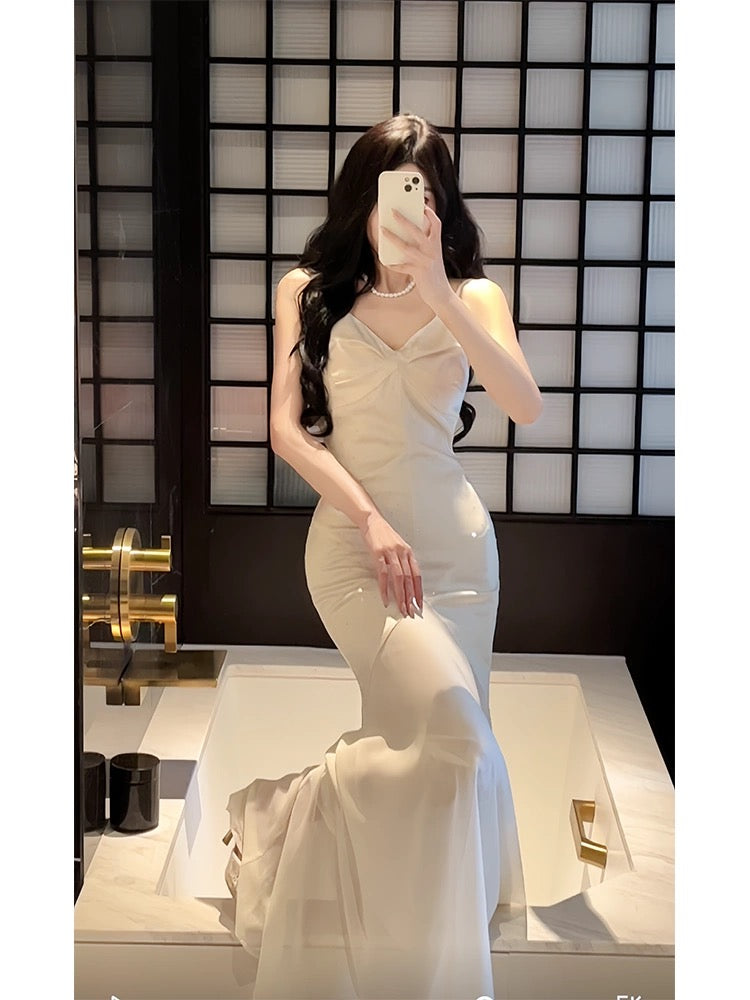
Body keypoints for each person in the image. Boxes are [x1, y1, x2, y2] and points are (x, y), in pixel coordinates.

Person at [223, 113, 543, 1000]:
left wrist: (439, 288)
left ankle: (411, 937)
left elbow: (524, 404)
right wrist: (367, 517)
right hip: (357, 554)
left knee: (448, 749)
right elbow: (287, 431)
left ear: (440, 206)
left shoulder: (473, 296)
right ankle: (278, 815)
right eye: (392, 192)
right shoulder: (307, 291)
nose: (406, 209)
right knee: (455, 746)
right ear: (361, 199)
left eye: (423, 194)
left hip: (459, 560)